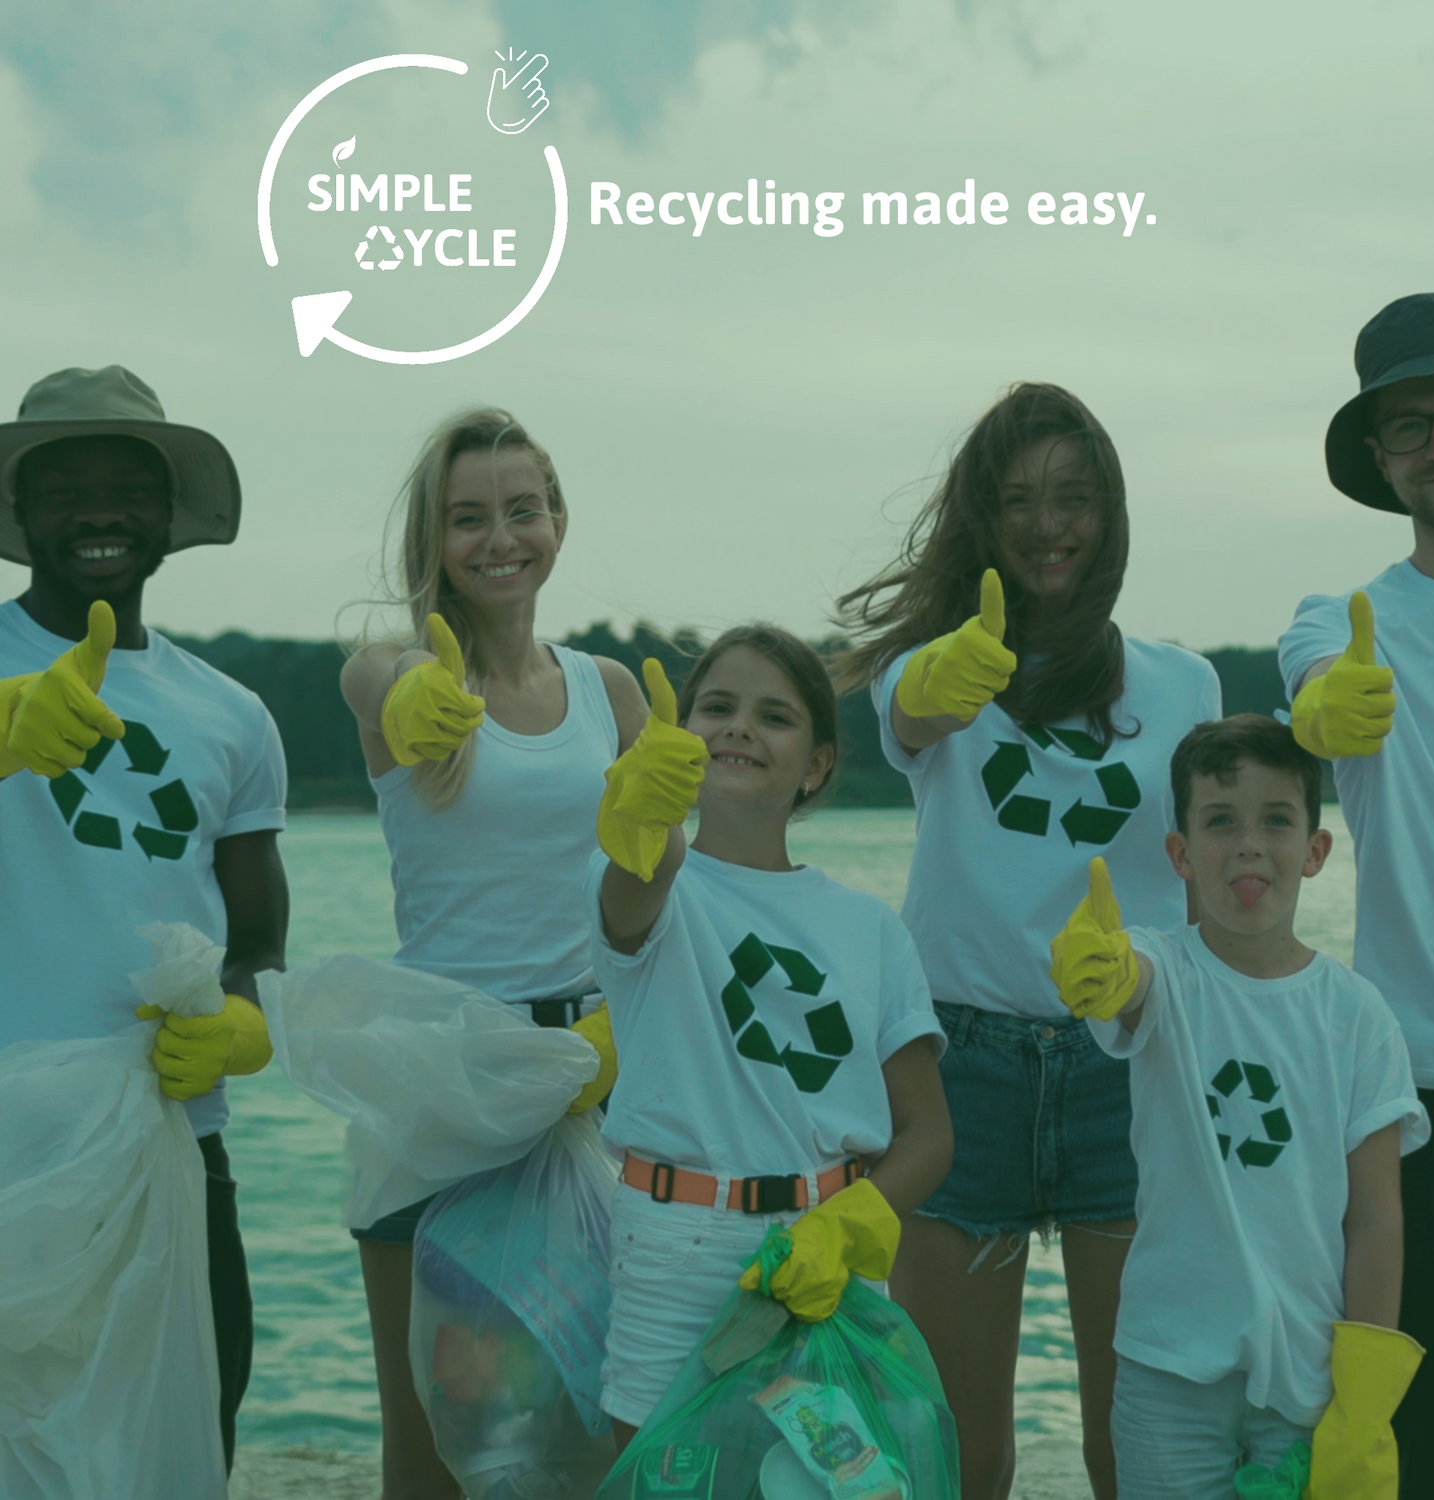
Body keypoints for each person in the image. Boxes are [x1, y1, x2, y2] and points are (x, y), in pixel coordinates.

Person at [835, 382, 1222, 1498]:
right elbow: (911, 713)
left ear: (1111, 513)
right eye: (1018, 501)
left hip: (1130, 1062)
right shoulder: (934, 672)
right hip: (965, 1075)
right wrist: (944, 678)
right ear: (982, 524)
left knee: (1138, 1448)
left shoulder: (1182, 683)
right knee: (960, 1457)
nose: (1049, 525)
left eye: (1074, 497)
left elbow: (1203, 884)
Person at [338, 407, 645, 1500]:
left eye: (523, 510)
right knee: (431, 1425)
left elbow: (666, 889)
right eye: (468, 518)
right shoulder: (392, 672)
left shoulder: (612, 692)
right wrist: (422, 692)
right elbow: (376, 687)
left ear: (558, 520)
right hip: (445, 1082)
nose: (500, 537)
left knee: (605, 1408)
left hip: (594, 1080)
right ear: (434, 538)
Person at [0, 365, 288, 1472]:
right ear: (21, 516)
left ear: (168, 516)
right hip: (14, 1149)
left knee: (188, 1437)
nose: (101, 511)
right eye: (65, 487)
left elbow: (258, 941)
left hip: (177, 1147)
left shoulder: (232, 714)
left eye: (128, 484)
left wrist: (245, 1020)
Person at [585, 626, 954, 1444]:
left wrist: (850, 1225)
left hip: (828, 1253)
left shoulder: (873, 928)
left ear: (818, 765)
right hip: (676, 1242)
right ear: (676, 739)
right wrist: (642, 815)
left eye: (775, 716)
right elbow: (637, 881)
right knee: (660, 1471)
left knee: (830, 1476)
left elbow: (927, 1132)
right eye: (715, 707)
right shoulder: (652, 876)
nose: (740, 727)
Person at [1050, 715, 1427, 1499]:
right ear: (1180, 855)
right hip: (1166, 1368)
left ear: (1317, 852)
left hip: (1310, 1372)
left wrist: (1365, 1393)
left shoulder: (1358, 1015)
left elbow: (1376, 1219)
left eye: (1276, 821)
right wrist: (1107, 971)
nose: (1249, 844)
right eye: (1220, 822)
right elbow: (1129, 988)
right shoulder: (1163, 969)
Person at [1277, 290, 1434, 1496]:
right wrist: (1321, 713)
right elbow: (1316, 682)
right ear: (1377, 459)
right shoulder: (1353, 623)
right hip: (1431, 1109)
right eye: (1408, 428)